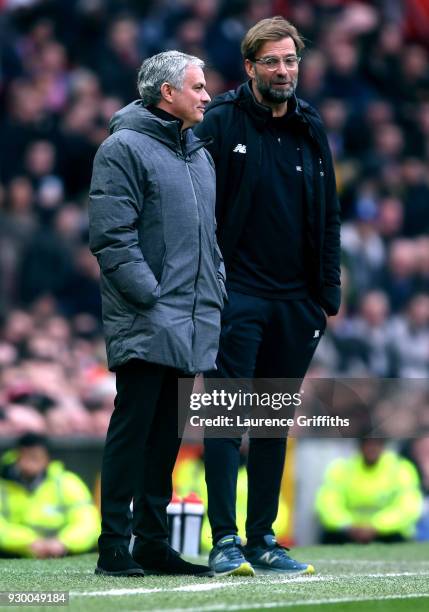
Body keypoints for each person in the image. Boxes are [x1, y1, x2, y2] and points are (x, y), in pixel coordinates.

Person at [194, 16, 341, 575]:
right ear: (250, 67)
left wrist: (326, 294)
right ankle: (225, 541)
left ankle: (262, 540)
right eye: (273, 62)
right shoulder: (221, 121)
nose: (285, 71)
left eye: (292, 61)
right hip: (237, 296)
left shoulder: (311, 125)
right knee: (227, 418)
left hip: (296, 301)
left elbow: (329, 213)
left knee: (273, 422)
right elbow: (197, 213)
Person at [89, 51, 225, 577]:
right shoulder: (121, 147)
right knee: (133, 428)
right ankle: (114, 545)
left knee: (165, 436)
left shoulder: (199, 156)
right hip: (149, 315)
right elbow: (111, 236)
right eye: (197, 86)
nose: (207, 95)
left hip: (188, 317)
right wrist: (153, 296)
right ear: (166, 93)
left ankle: (151, 542)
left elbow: (206, 241)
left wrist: (213, 288)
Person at [0, 433, 99, 558]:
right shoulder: (3, 485)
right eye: (26, 456)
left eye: (36, 457)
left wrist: (63, 543)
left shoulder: (68, 483)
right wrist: (29, 542)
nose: (30, 462)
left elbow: (88, 523)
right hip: (12, 555)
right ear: (16, 456)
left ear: (47, 458)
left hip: (64, 555)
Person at [316, 439, 423, 543]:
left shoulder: (401, 468)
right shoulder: (340, 468)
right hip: (347, 533)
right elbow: (327, 505)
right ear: (360, 445)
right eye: (367, 443)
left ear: (383, 445)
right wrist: (348, 526)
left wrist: (377, 526)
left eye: (376, 443)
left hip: (389, 536)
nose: (371, 448)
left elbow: (408, 508)